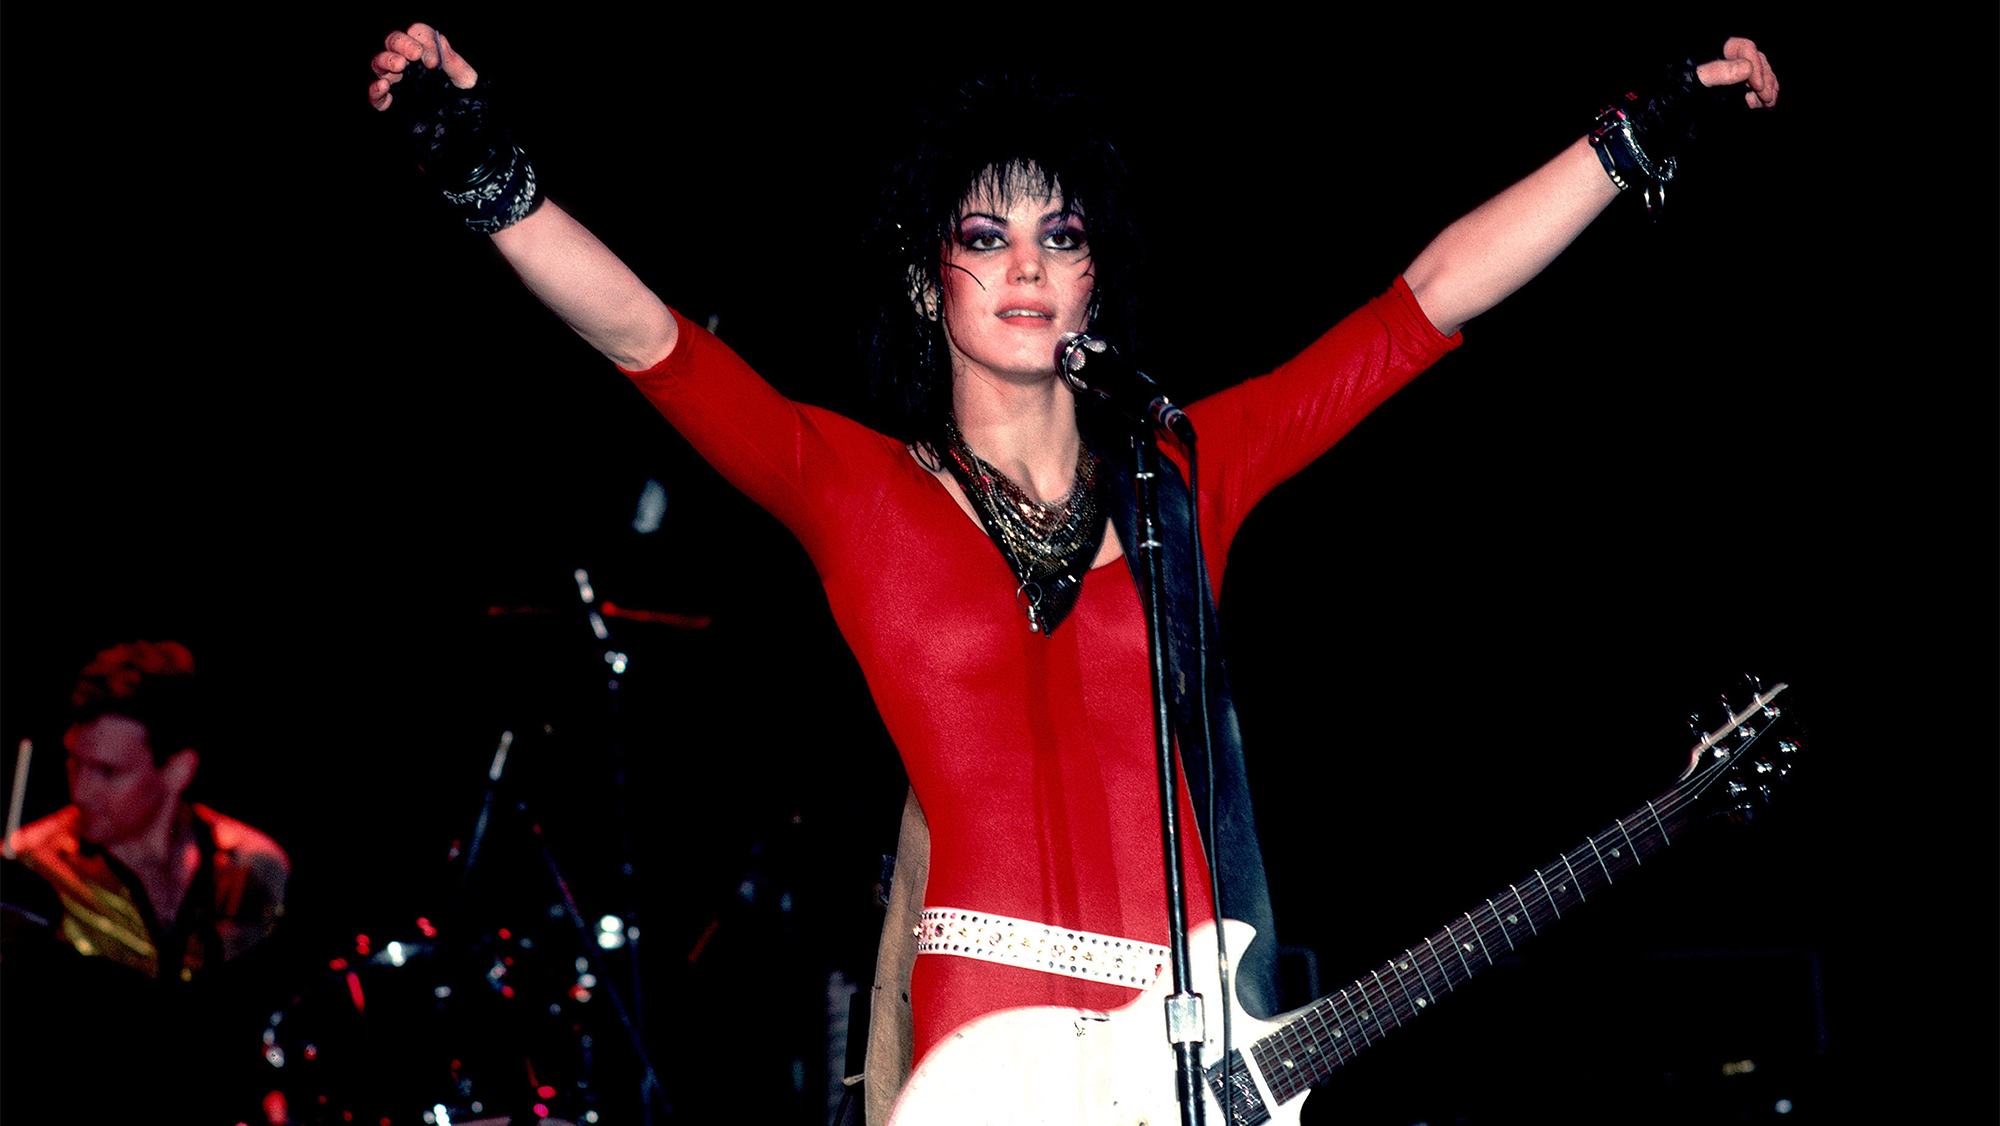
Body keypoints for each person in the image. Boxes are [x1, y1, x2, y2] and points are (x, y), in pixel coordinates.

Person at [366, 25, 1778, 1124]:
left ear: (1099, 273)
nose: (1027, 265)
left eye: (1061, 232)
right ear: (930, 280)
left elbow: (1423, 304)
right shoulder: (854, 488)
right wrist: (480, 167)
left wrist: (1634, 133)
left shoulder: (1181, 472)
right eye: (985, 235)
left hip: (1209, 1025)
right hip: (995, 1028)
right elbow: (647, 337)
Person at [5, 640, 289, 982]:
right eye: (74, 762)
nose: (80, 791)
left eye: (107, 772)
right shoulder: (30, 866)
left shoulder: (254, 869)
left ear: (178, 770)